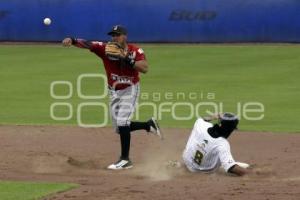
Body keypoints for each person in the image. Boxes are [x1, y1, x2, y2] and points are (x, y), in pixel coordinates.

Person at [62, 25, 161, 170]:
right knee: (120, 128)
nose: (114, 37)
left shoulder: (135, 50)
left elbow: (145, 68)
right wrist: (72, 40)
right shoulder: (106, 48)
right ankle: (148, 125)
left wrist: (127, 59)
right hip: (113, 91)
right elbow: (88, 44)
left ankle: (125, 160)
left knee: (122, 121)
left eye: (118, 35)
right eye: (113, 35)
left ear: (125, 36)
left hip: (130, 88)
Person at [182, 113, 249, 176]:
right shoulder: (222, 144)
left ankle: (180, 164)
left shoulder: (201, 124)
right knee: (224, 158)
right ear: (231, 129)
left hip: (187, 161)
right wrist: (249, 174)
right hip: (201, 171)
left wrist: (213, 116)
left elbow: (203, 119)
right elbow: (231, 168)